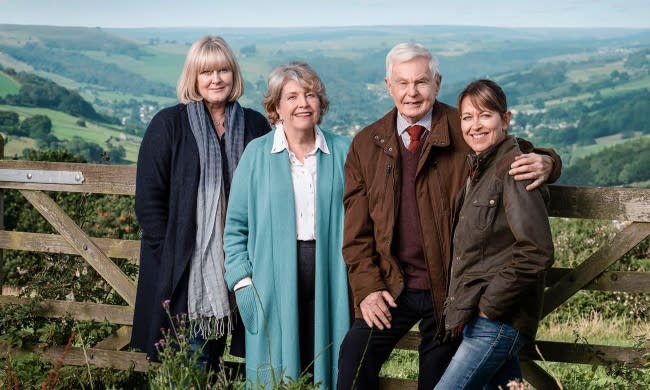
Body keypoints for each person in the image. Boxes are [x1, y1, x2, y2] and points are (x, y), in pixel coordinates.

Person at [336, 43, 561, 390]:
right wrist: (368, 289)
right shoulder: (367, 144)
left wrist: (548, 161)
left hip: (449, 291)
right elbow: (356, 234)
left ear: (437, 84)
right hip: (392, 286)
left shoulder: (464, 127)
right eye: (403, 83)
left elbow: (510, 152)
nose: (412, 92)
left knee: (438, 381)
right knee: (353, 361)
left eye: (422, 82)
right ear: (388, 86)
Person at [131, 35, 271, 372]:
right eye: (206, 72)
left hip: (241, 265)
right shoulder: (169, 124)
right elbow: (149, 202)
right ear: (193, 78)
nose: (216, 79)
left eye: (223, 70)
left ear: (233, 75)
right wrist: (173, 254)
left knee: (221, 361)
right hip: (184, 272)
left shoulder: (254, 125)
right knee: (192, 361)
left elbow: (270, 189)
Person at [223, 62, 351, 388]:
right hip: (271, 283)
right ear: (276, 106)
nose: (302, 104)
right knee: (278, 372)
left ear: (320, 103)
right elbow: (235, 227)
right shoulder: (256, 154)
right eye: (291, 96)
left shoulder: (343, 151)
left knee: (331, 366)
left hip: (332, 280)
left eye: (310, 95)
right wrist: (241, 282)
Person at [434, 79, 554, 389]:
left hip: (497, 320)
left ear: (506, 118)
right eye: (467, 117)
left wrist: (490, 306)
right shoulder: (481, 167)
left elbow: (536, 251)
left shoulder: (514, 170)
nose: (475, 125)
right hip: (484, 317)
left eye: (485, 115)